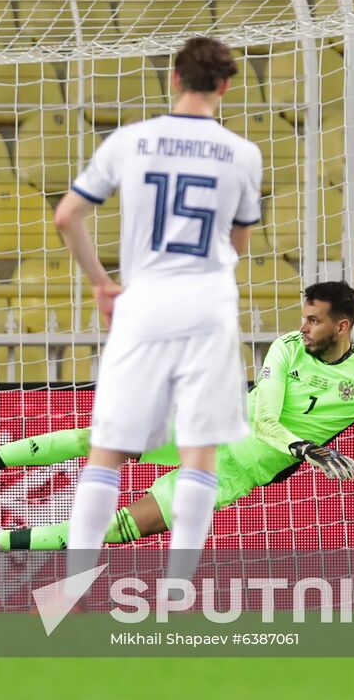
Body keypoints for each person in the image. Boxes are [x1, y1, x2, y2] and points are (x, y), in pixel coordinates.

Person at [0, 282, 354, 562]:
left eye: (314, 321)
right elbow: (266, 417)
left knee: (118, 527)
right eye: (303, 317)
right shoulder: (287, 347)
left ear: (342, 327)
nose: (303, 328)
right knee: (96, 438)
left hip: (234, 470)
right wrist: (303, 447)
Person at [51, 36, 263, 584]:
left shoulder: (132, 140)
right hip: (209, 306)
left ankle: (73, 585)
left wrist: (102, 284)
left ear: (174, 78)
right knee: (199, 452)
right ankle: (177, 588)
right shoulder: (243, 154)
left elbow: (67, 216)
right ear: (225, 86)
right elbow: (238, 244)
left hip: (143, 305)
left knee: (108, 450)